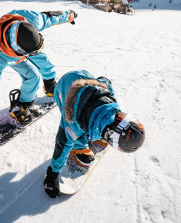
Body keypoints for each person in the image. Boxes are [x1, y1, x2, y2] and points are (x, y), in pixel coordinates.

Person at [0, 9, 77, 150]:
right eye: (32, 53)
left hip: (19, 46)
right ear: (20, 51)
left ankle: (26, 102)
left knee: (33, 76)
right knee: (31, 73)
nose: (35, 54)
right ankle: (39, 89)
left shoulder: (31, 20)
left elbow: (50, 17)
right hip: (2, 53)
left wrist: (69, 16)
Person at [44, 70, 145, 198]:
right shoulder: (73, 124)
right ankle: (79, 148)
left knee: (87, 125)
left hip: (82, 76)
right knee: (76, 134)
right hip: (62, 92)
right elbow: (62, 144)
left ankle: (98, 131)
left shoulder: (110, 101)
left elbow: (104, 85)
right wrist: (52, 174)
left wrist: (105, 80)